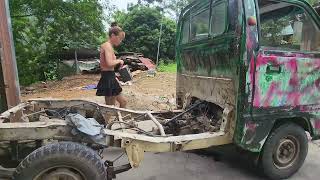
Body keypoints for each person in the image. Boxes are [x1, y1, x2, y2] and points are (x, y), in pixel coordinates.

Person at [96, 22, 127, 109]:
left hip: (110, 76)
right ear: (113, 35)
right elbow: (109, 63)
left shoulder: (108, 46)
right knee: (110, 107)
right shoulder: (107, 46)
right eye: (119, 38)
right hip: (107, 77)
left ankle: (119, 122)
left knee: (121, 103)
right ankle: (104, 122)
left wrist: (115, 75)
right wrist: (119, 61)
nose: (120, 41)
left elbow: (109, 65)